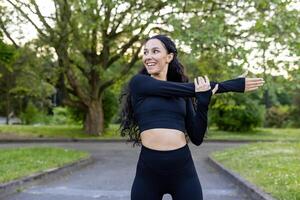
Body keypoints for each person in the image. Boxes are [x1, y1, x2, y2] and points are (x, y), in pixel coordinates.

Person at [118, 34, 264, 200]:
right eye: (145, 52)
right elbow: (191, 89)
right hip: (149, 172)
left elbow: (197, 137)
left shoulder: (184, 95)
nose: (148, 56)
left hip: (183, 172)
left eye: (155, 51)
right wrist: (229, 86)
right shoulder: (139, 83)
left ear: (169, 57)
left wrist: (202, 103)